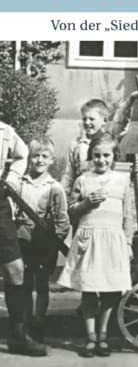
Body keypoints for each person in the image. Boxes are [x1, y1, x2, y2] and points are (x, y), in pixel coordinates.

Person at [58, 133, 134, 358]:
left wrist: (128, 242)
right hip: (89, 240)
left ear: (114, 156)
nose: (101, 160)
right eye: (97, 155)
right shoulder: (83, 179)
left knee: (111, 290)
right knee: (90, 290)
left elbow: (128, 215)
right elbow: (71, 211)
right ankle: (90, 337)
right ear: (91, 156)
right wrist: (86, 204)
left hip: (112, 240)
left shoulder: (122, 180)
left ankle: (103, 335)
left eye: (106, 155)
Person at [12, 137, 70, 342]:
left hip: (45, 243)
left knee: (42, 284)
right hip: (22, 240)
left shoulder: (54, 188)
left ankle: (39, 321)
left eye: (45, 156)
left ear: (51, 160)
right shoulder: (20, 184)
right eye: (36, 156)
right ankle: (27, 321)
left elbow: (62, 220)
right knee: (25, 283)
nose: (40, 160)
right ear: (29, 158)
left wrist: (54, 242)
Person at [0, 120, 47, 356]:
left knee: (15, 268)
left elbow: (22, 154)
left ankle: (18, 336)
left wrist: (11, 179)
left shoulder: (5, 131)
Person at [61, 94, 137, 197]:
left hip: (105, 190)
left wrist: (130, 99)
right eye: (84, 119)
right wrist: (63, 194)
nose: (87, 122)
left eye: (91, 119)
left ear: (104, 121)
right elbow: (69, 173)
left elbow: (120, 119)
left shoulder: (109, 139)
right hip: (83, 191)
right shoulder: (76, 144)